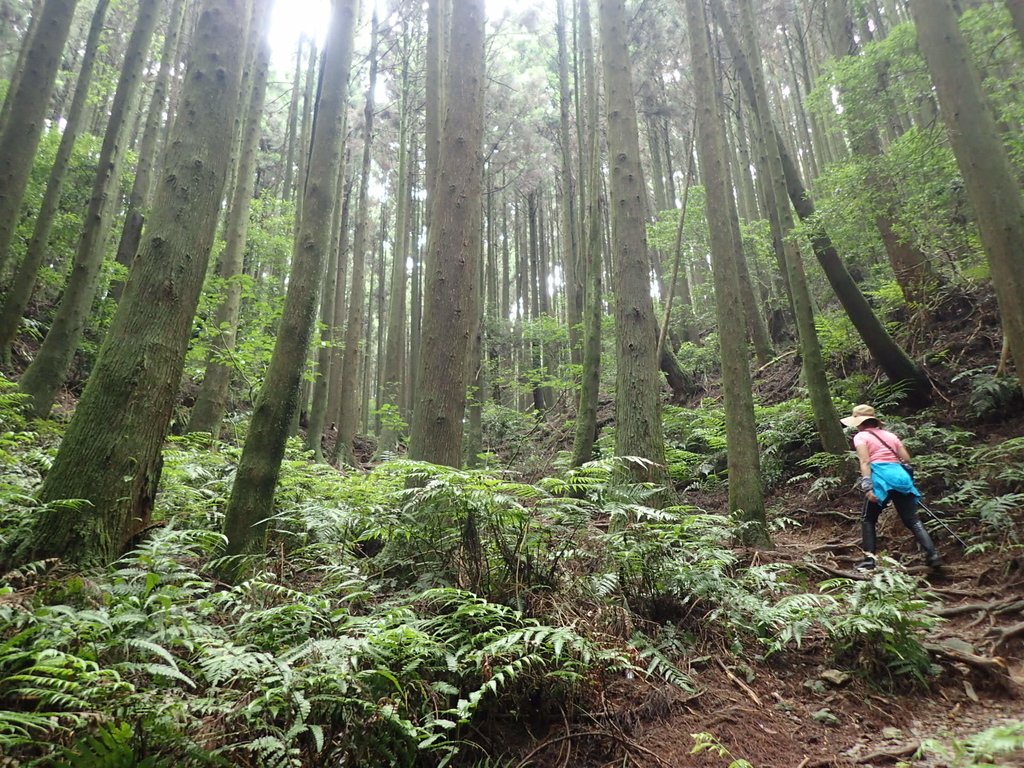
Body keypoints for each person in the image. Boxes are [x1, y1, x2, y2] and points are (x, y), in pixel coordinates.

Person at [840, 404, 940, 571]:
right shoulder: (890, 435)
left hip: (881, 479)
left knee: (868, 519)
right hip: (901, 479)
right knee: (912, 520)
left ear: (860, 422)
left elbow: (865, 461)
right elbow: (906, 458)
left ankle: (869, 560)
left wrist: (867, 486)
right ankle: (933, 555)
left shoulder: (861, 436)